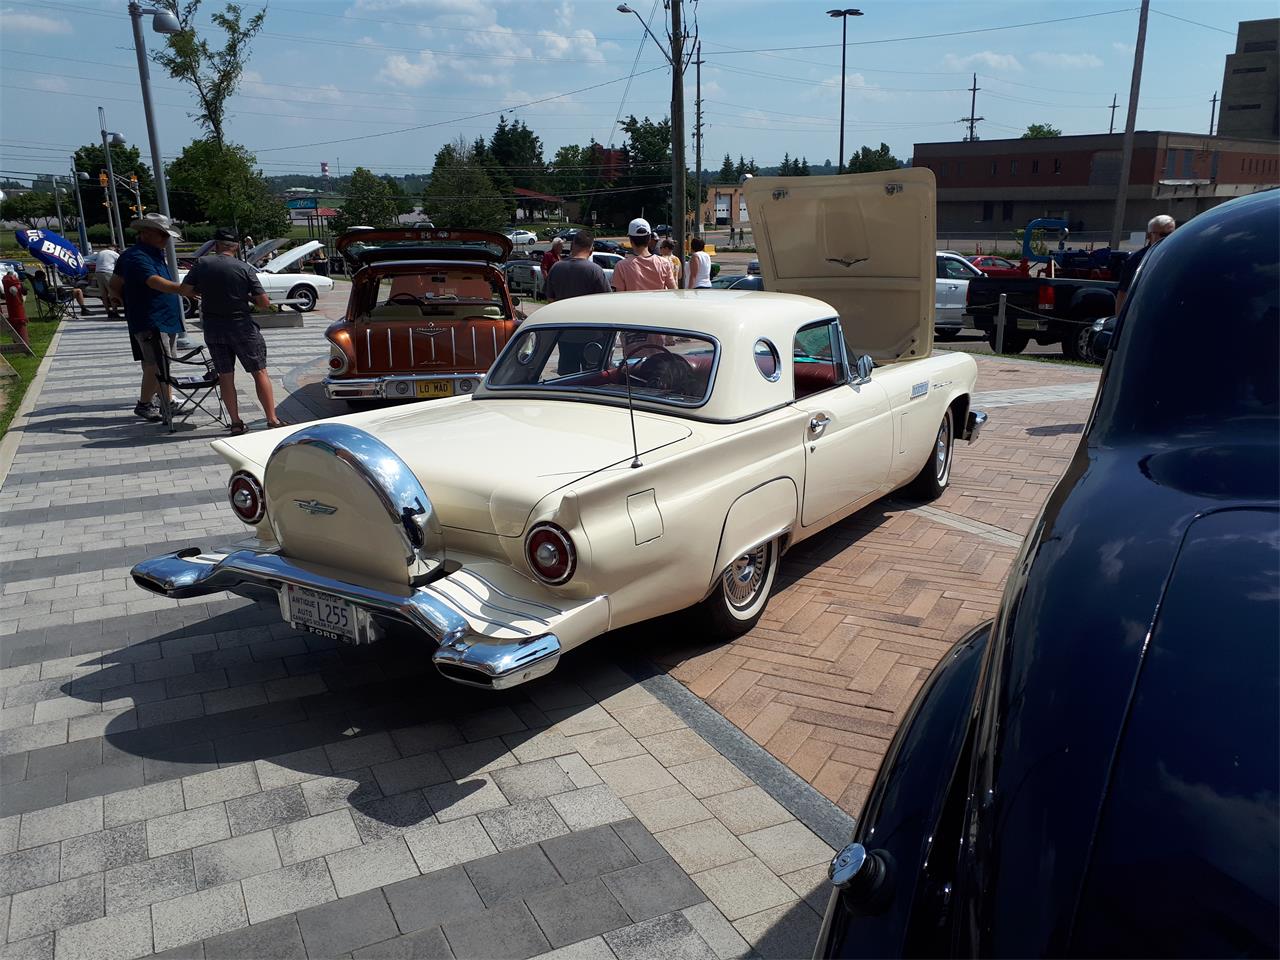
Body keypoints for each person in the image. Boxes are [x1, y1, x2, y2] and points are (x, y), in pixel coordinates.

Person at [183, 228, 287, 435]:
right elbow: (264, 302)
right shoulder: (243, 268)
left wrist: (204, 294)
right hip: (242, 327)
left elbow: (186, 290)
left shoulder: (202, 264)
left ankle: (236, 422)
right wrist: (244, 297)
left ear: (216, 245)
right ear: (237, 246)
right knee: (259, 372)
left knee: (225, 376)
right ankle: (272, 418)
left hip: (213, 328)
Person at [110, 212, 189, 423]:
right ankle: (145, 404)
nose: (166, 239)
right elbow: (152, 281)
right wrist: (182, 289)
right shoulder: (137, 256)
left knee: (162, 364)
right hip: (151, 320)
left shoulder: (153, 253)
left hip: (163, 318)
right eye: (162, 235)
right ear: (145, 233)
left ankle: (167, 401)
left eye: (167, 235)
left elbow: (115, 284)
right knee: (156, 364)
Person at [545, 230, 612, 375]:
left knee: (568, 380)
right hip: (593, 336)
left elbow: (550, 300)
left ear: (572, 245)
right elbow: (607, 303)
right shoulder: (595, 271)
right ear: (591, 249)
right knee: (593, 379)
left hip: (565, 335)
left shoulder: (556, 268)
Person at [1115, 214, 1175, 311]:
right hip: (1143, 312)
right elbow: (1123, 292)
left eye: (1171, 234)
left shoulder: (1179, 257)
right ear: (1149, 236)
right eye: (1163, 235)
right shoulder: (1137, 259)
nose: (1167, 238)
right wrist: (1120, 321)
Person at [610, 218, 675, 292]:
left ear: (631, 240)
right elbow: (674, 291)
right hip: (658, 303)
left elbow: (618, 296)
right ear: (649, 239)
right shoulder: (664, 263)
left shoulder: (621, 266)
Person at [95, 243, 121, 319]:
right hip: (108, 272)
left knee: (104, 294)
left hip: (98, 273)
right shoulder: (115, 254)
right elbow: (121, 264)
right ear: (115, 248)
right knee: (112, 293)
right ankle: (115, 312)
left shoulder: (101, 252)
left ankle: (108, 312)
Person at [2, 266, 27, 345]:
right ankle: (23, 343)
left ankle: (21, 343)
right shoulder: (13, 285)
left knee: (18, 324)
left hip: (15, 312)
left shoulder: (8, 283)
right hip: (17, 312)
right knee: (18, 325)